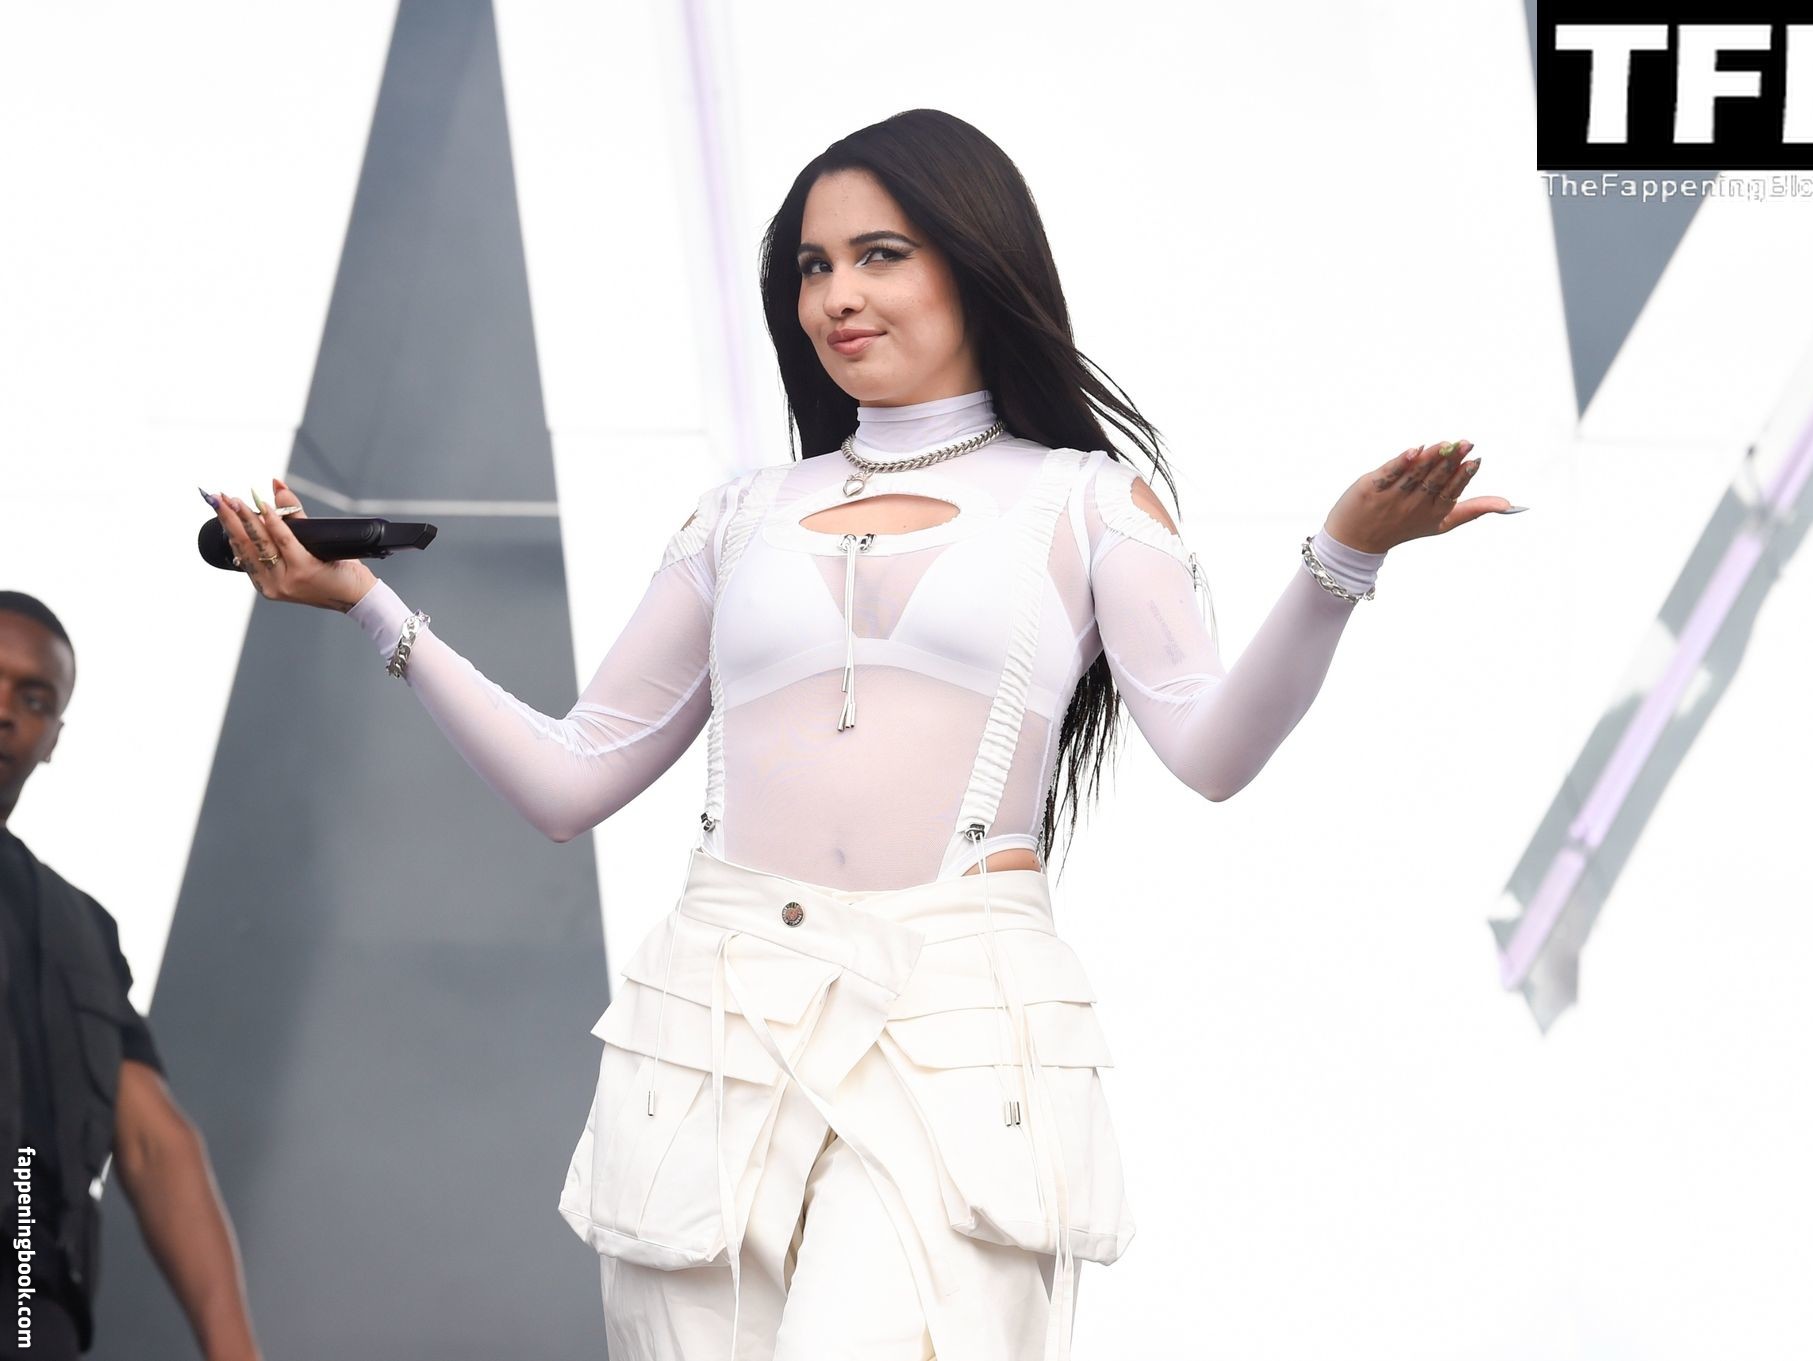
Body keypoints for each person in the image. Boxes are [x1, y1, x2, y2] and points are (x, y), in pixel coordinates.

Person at [210, 108, 1517, 1361]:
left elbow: (1213, 749)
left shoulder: (1087, 502)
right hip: (715, 1016)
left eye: (881, 254)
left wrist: (1342, 561)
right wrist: (373, 607)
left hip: (957, 1022)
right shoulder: (739, 515)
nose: (839, 295)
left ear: (976, 261)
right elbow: (570, 779)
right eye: (813, 266)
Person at [0, 592, 262, 1360]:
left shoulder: (76, 926)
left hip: (30, 1309)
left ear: (54, 736)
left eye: (34, 697)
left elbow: (154, 1143)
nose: (5, 711)